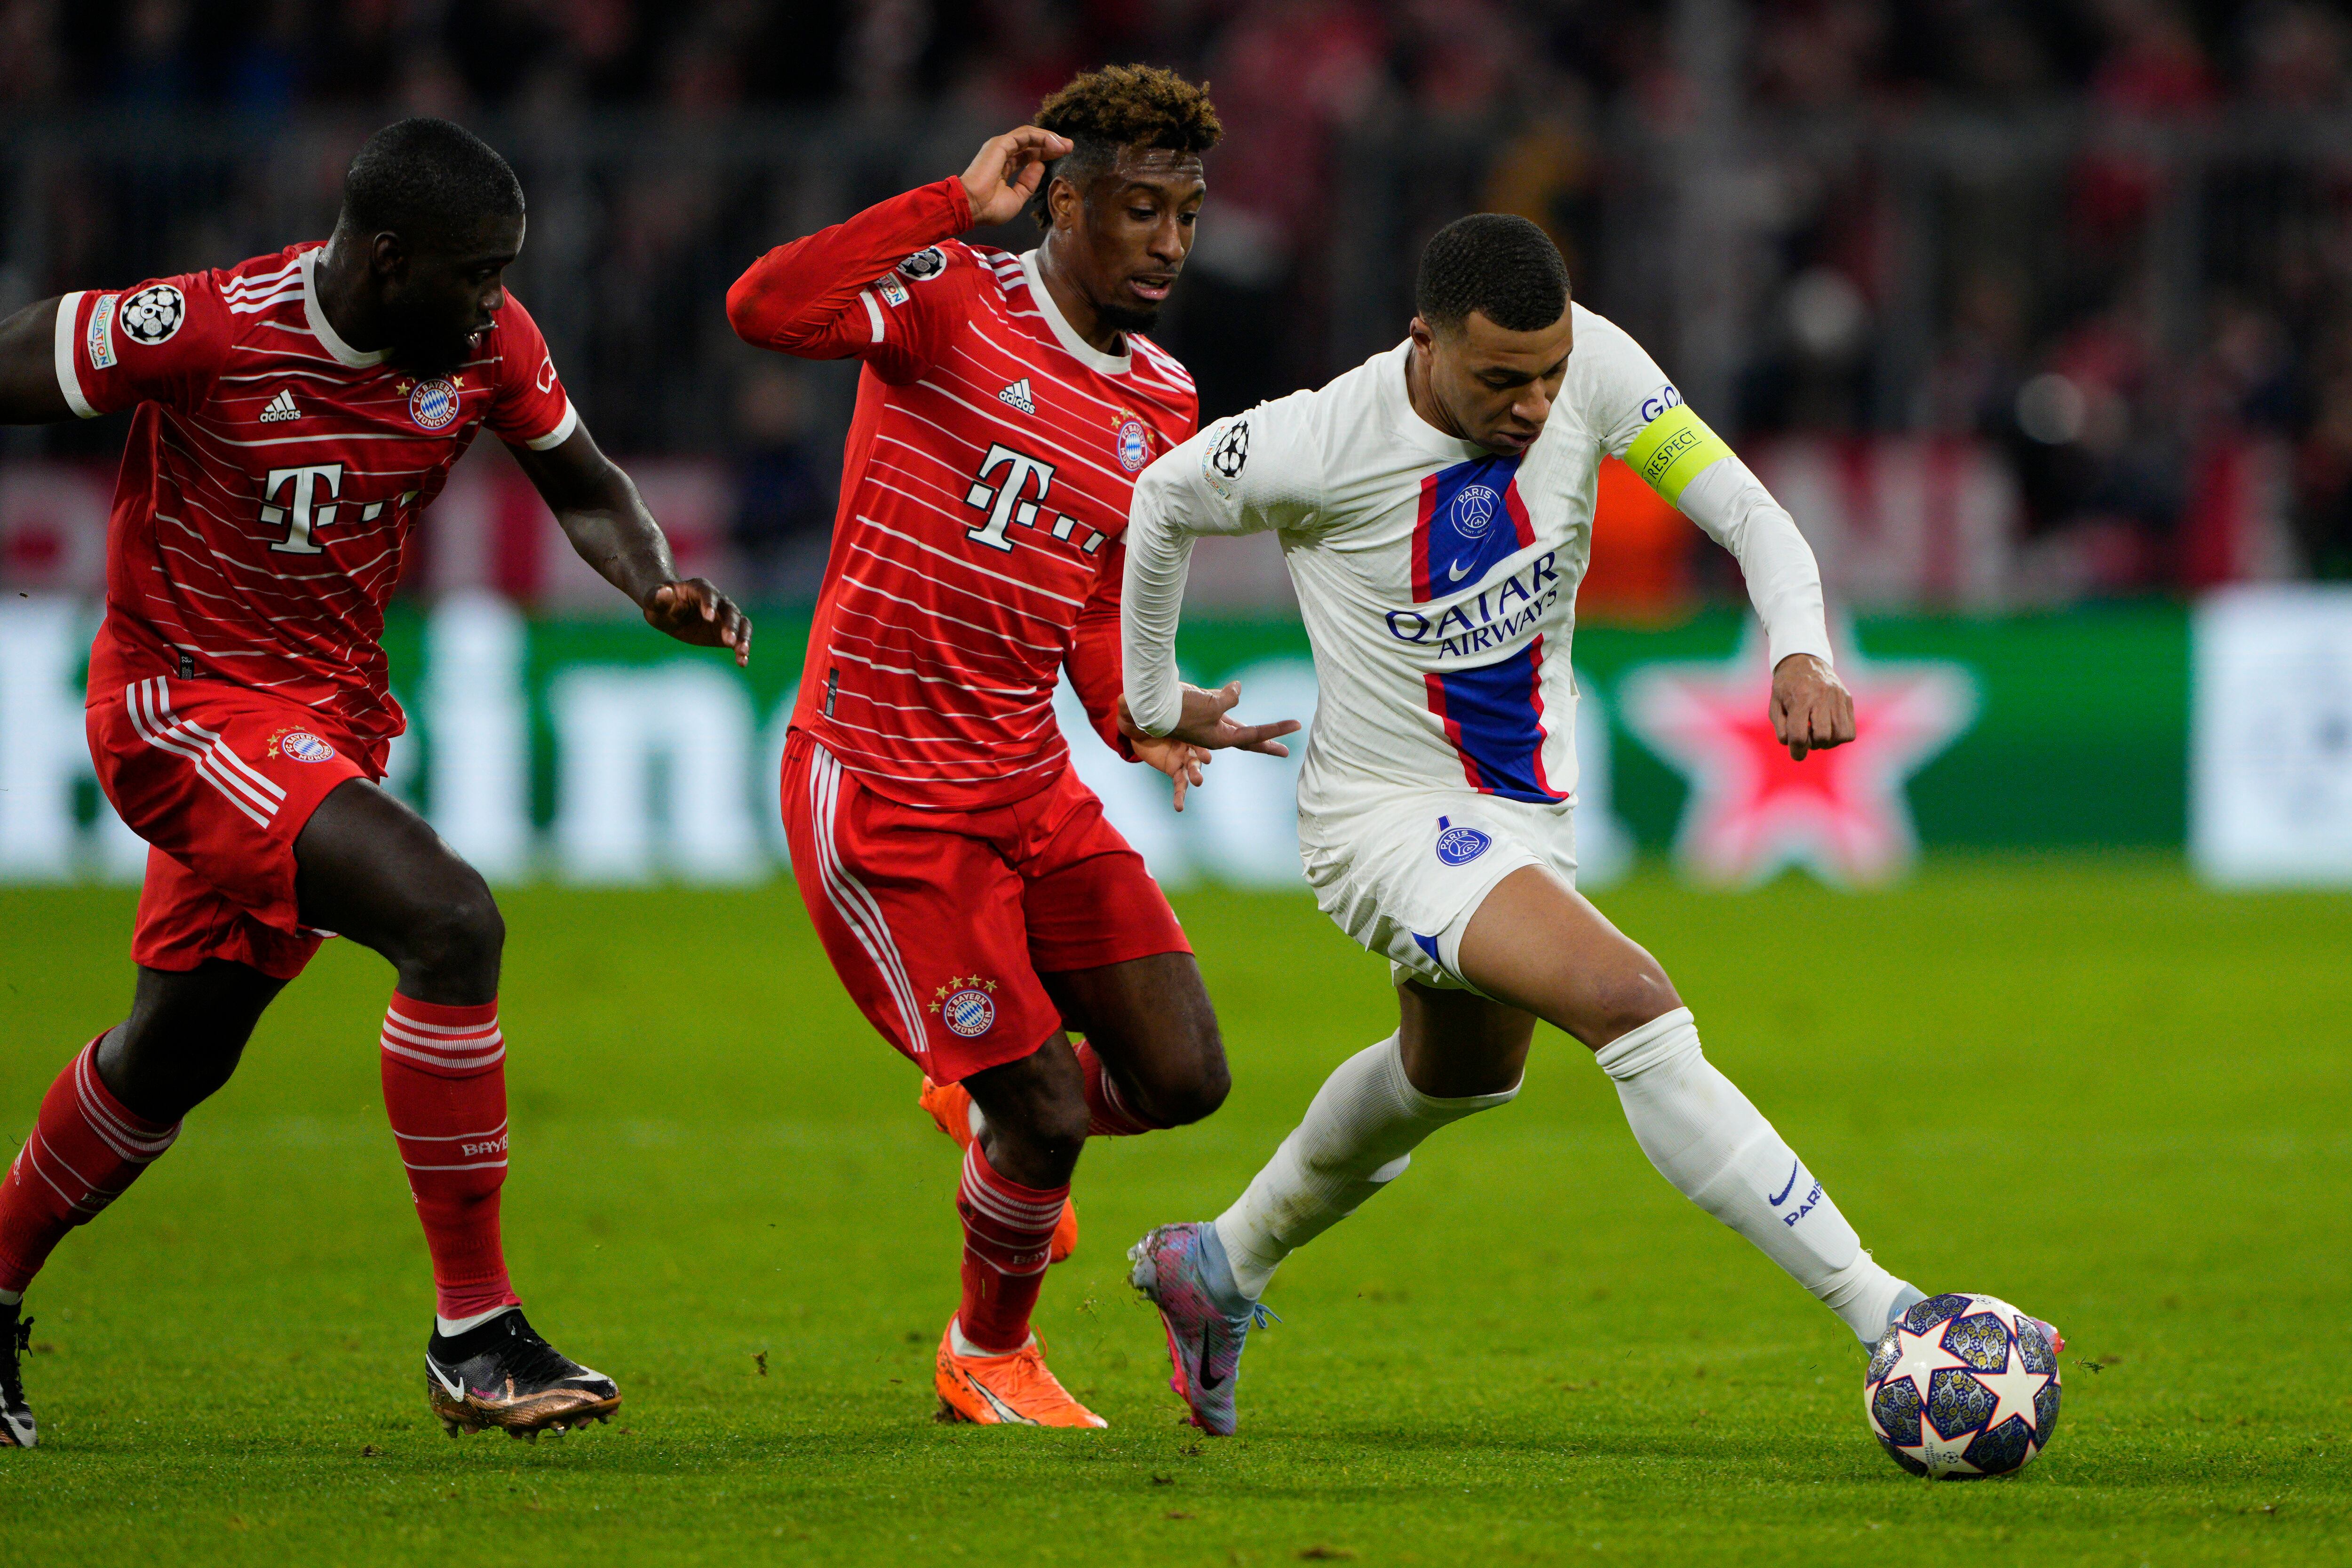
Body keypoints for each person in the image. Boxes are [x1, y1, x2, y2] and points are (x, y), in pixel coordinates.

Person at [1118, 214, 2063, 1435]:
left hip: (1527, 812)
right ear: (1425, 343)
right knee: (1630, 1001)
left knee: (1458, 1075)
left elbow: (1749, 515)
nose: (1535, 405)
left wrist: (1799, 651)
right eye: (1502, 380)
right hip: (1385, 819)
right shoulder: (1319, 441)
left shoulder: (1598, 366)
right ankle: (1893, 1316)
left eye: (1551, 375)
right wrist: (1153, 701)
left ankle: (1220, 1265)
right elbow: (1161, 499)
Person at [0, 117, 750, 1449]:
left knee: (173, 1054)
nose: (497, 305)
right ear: (390, 259)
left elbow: (586, 485)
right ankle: (477, 1336)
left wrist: (655, 585)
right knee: (448, 917)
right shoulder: (212, 327)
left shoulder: (484, 348)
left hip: (325, 727)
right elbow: (23, 357)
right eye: (478, 275)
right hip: (182, 707)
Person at [725, 65, 1291, 1429]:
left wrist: (1144, 711)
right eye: (1140, 209)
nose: (1169, 242)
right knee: (1043, 1107)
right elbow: (764, 308)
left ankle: (990, 1115)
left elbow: (1092, 600)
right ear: (1065, 202)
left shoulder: (1164, 398)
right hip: (882, 786)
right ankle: (989, 1352)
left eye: (1188, 214)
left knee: (1184, 1077)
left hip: (1028, 785)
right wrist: (946, 205)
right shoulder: (951, 298)